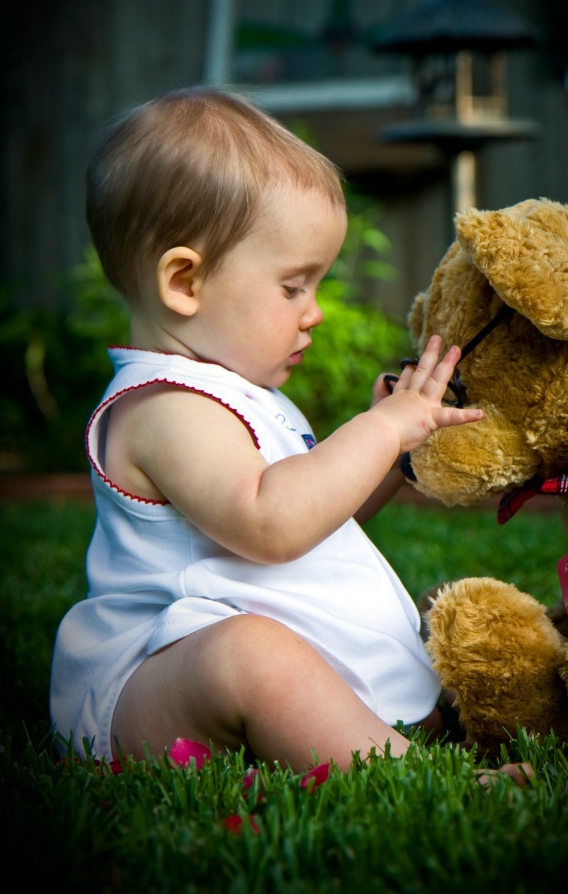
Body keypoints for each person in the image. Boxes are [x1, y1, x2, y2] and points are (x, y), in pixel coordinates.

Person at [50, 86, 530, 786]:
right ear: (185, 282)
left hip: (227, 648)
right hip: (152, 689)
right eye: (293, 287)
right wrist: (377, 427)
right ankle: (422, 782)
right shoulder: (163, 408)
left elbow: (312, 525)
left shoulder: (241, 397)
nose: (315, 314)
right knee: (249, 656)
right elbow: (271, 524)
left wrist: (389, 458)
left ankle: (394, 722)